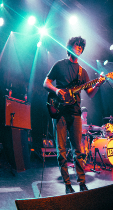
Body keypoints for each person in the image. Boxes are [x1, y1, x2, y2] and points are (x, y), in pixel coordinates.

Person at [43, 36, 105, 194]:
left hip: (76, 113)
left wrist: (97, 84)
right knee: (61, 151)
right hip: (59, 112)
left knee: (79, 151)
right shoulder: (59, 65)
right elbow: (46, 82)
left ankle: (82, 183)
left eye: (81, 47)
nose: (79, 49)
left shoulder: (82, 72)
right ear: (70, 47)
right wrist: (57, 91)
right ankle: (67, 184)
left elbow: (90, 94)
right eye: (77, 46)